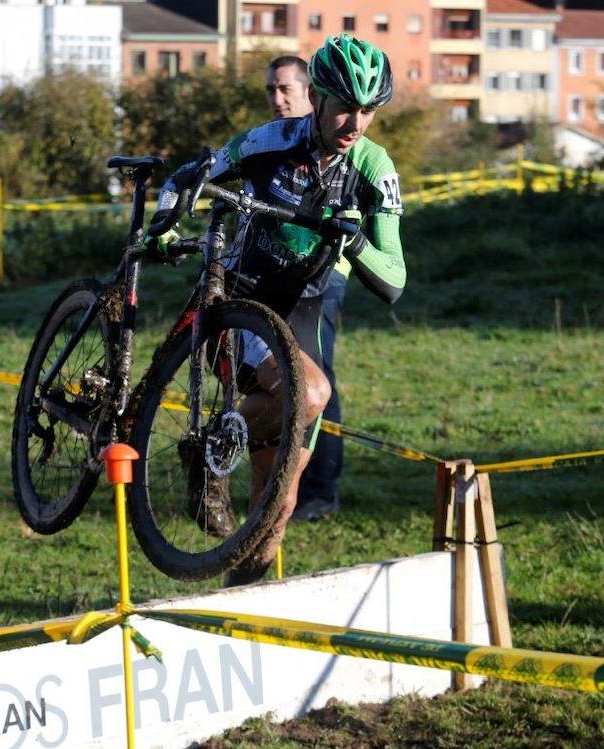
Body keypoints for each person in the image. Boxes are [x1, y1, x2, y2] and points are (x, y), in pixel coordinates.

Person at [154, 34, 405, 586]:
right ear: (316, 97)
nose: (355, 123)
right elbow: (188, 178)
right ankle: (217, 442)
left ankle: (237, 616)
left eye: (368, 111)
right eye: (344, 107)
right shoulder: (269, 141)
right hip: (246, 302)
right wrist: (163, 222)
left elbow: (394, 281)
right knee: (312, 392)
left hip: (307, 314)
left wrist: (357, 242)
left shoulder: (372, 165)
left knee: (278, 499)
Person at [265, 55, 348, 523]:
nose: (277, 99)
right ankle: (271, 480)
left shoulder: (334, 143)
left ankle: (319, 490)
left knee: (318, 378)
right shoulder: (273, 141)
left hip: (324, 279)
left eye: (285, 90)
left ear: (310, 96)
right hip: (272, 273)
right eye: (270, 91)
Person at [264, 55, 313, 120]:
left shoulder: (328, 128)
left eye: (286, 89)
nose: (277, 101)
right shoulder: (262, 130)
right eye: (271, 90)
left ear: (310, 92)